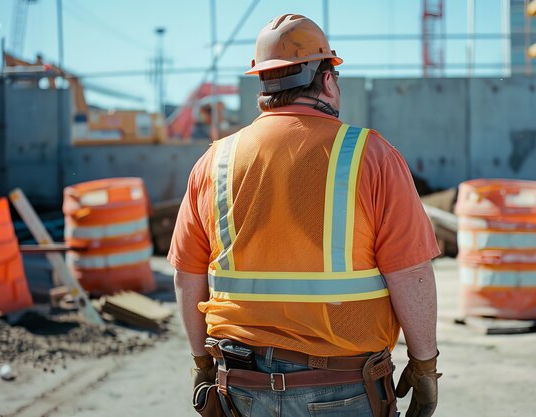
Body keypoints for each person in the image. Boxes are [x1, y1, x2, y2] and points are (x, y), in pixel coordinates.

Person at [169, 13, 441, 417]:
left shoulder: (216, 162)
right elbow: (411, 274)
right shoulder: (371, 155)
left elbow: (187, 275)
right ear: (328, 80)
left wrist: (202, 363)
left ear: (264, 84)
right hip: (343, 387)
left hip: (239, 384)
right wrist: (424, 366)